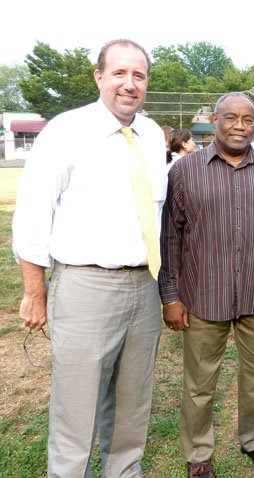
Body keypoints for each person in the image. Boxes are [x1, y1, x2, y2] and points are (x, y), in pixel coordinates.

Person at [12, 39, 166, 477]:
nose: (129, 84)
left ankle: (123, 471)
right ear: (99, 76)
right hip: (85, 286)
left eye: (138, 75)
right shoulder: (66, 131)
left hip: (144, 286)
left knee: (133, 403)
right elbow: (33, 214)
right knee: (76, 404)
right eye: (119, 73)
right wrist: (34, 291)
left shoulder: (153, 135)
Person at [159, 92, 254, 477]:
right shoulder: (186, 171)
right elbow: (171, 237)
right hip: (203, 294)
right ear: (215, 119)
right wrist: (171, 294)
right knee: (199, 383)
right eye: (231, 117)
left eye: (248, 119)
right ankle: (199, 453)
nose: (240, 125)